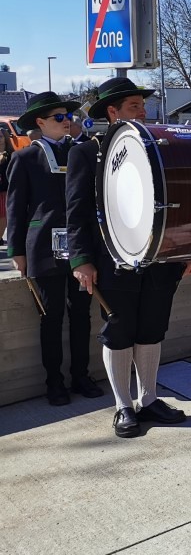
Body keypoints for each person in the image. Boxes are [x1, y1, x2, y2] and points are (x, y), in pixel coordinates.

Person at [66, 78, 191, 438]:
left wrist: (186, 248)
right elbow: (76, 211)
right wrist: (80, 259)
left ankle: (149, 398)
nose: (143, 111)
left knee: (152, 329)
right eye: (134, 106)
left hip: (159, 258)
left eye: (142, 105)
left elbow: (179, 199)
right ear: (113, 111)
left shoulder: (157, 145)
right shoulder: (86, 152)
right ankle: (123, 406)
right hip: (112, 260)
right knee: (119, 332)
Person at [6, 93, 102, 405]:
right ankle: (54, 382)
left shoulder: (81, 152)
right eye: (59, 117)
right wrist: (16, 251)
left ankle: (81, 375)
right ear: (41, 122)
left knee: (81, 314)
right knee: (51, 316)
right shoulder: (25, 158)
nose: (66, 121)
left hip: (80, 245)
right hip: (43, 247)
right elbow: (16, 207)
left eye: (68, 116)